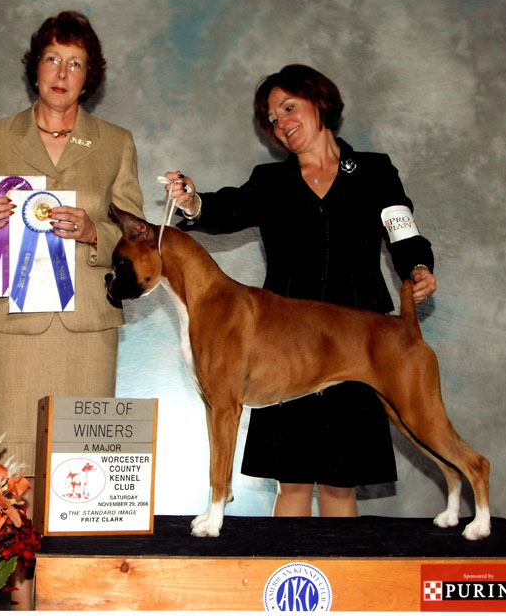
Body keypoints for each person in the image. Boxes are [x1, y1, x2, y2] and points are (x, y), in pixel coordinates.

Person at [163, 63, 437, 519]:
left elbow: (401, 228)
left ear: (319, 101)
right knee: (290, 484)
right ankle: (283, 586)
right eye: (272, 118)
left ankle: (340, 586)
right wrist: (194, 202)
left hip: (358, 343)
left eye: (289, 107)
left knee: (339, 486)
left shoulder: (374, 171)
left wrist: (419, 267)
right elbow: (223, 208)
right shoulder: (271, 182)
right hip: (282, 344)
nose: (282, 123)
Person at [0, 11, 143, 608]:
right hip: (11, 330)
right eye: (54, 58)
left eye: (76, 64)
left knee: (82, 478)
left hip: (85, 330)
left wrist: (94, 232)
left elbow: (132, 235)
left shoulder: (115, 142)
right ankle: (14, 600)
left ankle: (72, 601)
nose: (63, 73)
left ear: (90, 78)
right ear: (36, 67)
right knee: (7, 478)